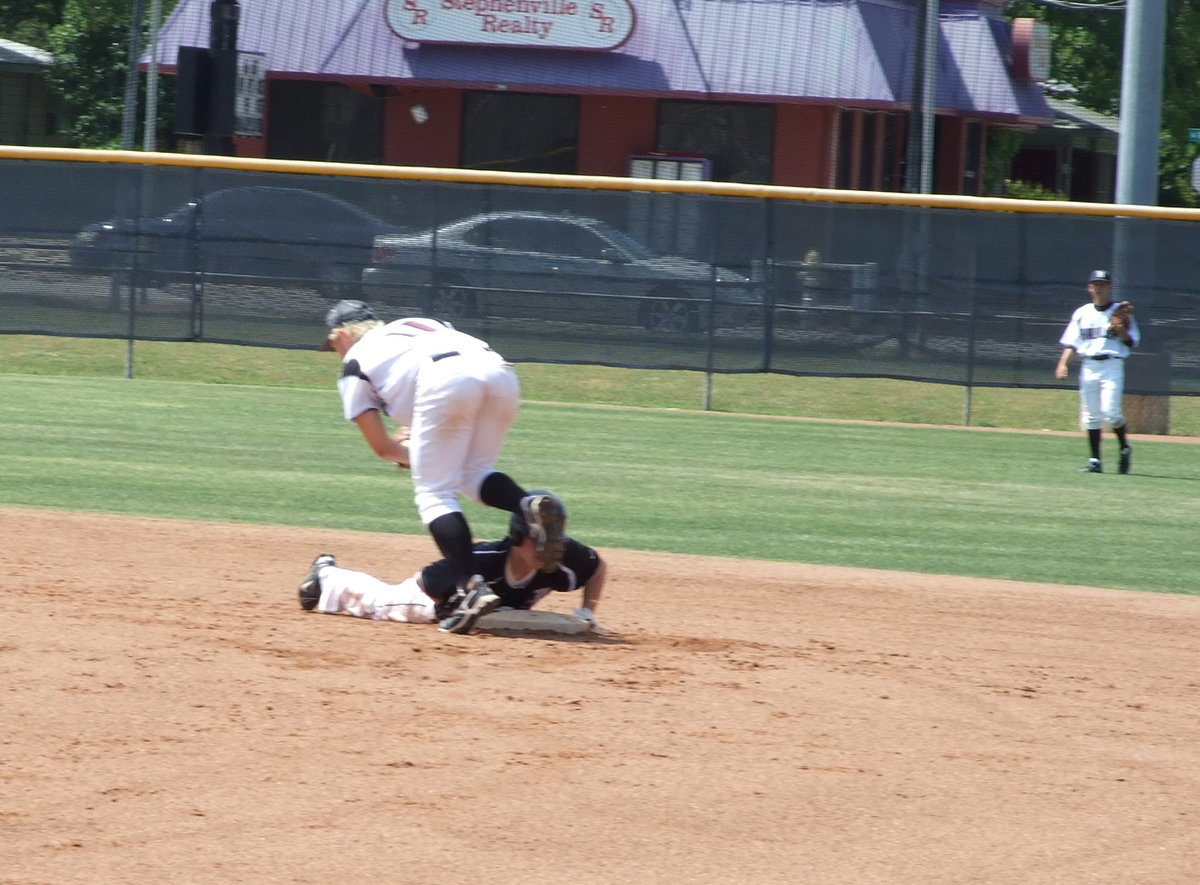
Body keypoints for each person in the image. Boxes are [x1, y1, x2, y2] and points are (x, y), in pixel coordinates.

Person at [317, 299, 565, 632]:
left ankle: (471, 590)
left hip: (444, 382)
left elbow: (382, 447)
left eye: (333, 344)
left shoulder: (353, 363)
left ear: (342, 335)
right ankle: (526, 504)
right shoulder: (415, 324)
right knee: (473, 473)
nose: (335, 351)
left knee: (434, 493)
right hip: (499, 372)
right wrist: (427, 448)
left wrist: (416, 455)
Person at [297, 492, 606, 634]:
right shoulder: (481, 562)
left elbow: (597, 568)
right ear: (517, 536)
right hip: (424, 601)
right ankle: (326, 576)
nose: (548, 548)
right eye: (539, 540)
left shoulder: (564, 557)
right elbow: (426, 579)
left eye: (553, 539)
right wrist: (447, 605)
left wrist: (588, 610)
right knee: (378, 603)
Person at [1055, 269, 1141, 474]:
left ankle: (1124, 448)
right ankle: (1095, 460)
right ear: (1089, 287)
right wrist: (1063, 364)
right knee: (1091, 416)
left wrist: (1120, 329)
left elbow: (1131, 342)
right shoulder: (1082, 313)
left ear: (1110, 288)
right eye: (1096, 284)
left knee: (1111, 413)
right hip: (1089, 366)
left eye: (1103, 284)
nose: (1099, 287)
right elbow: (1071, 344)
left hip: (1112, 364)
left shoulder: (1120, 312)